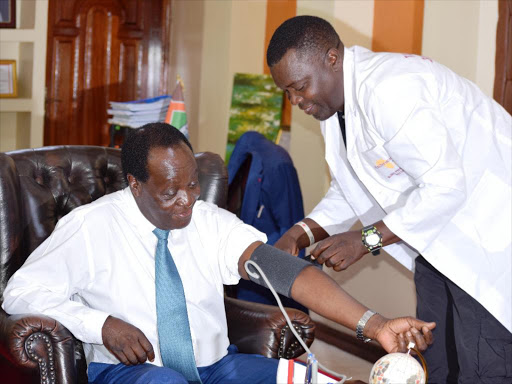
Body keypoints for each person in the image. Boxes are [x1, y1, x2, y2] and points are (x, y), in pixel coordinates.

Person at [2, 123, 434, 384]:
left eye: (192, 185)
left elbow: (285, 272)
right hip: (128, 373)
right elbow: (19, 293)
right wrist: (100, 324)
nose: (186, 201)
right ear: (134, 184)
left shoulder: (206, 220)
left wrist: (375, 325)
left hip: (215, 369)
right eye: (169, 192)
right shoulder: (89, 227)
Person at [267, 15, 512, 384]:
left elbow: (445, 185)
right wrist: (299, 234)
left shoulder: (391, 89)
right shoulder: (334, 104)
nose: (296, 100)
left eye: (299, 87)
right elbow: (353, 185)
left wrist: (364, 240)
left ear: (331, 58)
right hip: (437, 241)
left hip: (487, 233)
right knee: (436, 357)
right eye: (288, 92)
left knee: (484, 363)